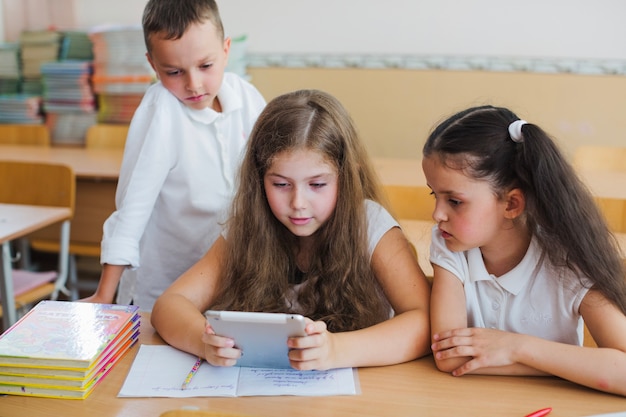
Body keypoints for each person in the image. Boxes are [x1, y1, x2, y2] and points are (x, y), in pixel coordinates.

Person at [151, 89, 431, 370]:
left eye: (317, 185)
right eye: (281, 185)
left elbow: (424, 320)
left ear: (347, 178)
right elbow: (170, 304)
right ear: (259, 180)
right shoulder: (249, 226)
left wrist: (335, 350)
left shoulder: (370, 226)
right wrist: (203, 341)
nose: (298, 204)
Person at [424, 105, 626, 396]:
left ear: (511, 204)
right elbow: (450, 356)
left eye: (454, 201)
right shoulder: (449, 244)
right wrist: (565, 362)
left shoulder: (568, 258)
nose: (437, 214)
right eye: (434, 194)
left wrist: (517, 348)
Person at [82, 0, 266, 310]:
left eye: (205, 66)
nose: (193, 84)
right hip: (164, 285)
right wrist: (105, 294)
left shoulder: (247, 99)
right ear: (153, 65)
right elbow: (133, 208)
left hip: (230, 281)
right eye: (174, 72)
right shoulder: (161, 111)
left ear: (226, 50)